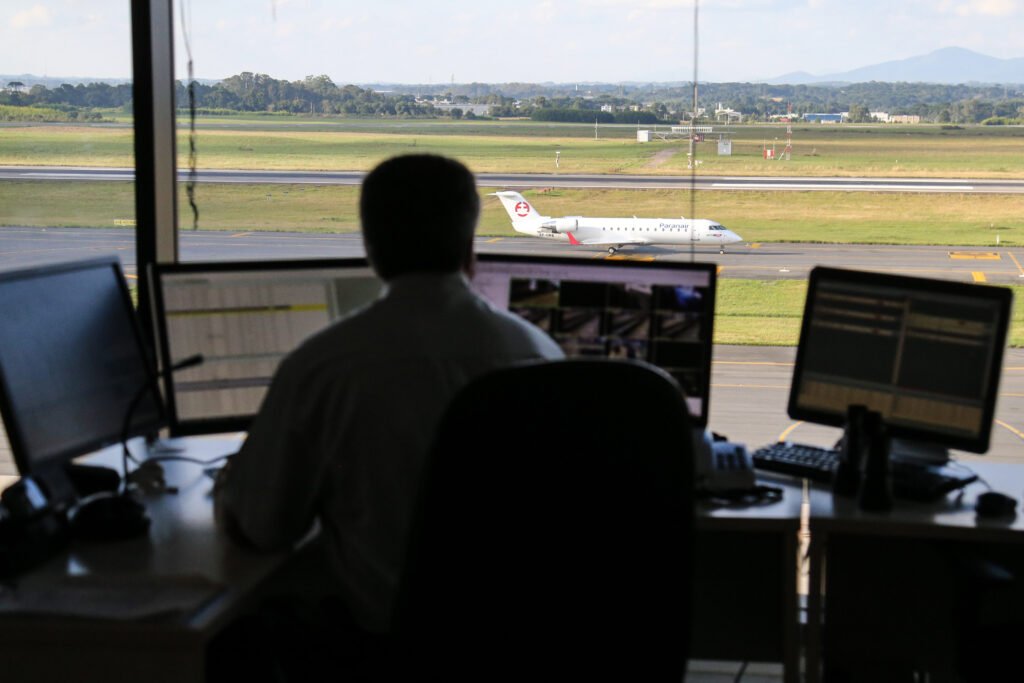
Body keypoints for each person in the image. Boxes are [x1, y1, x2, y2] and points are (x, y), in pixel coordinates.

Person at [215, 154, 564, 637]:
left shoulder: (323, 365)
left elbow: (263, 529)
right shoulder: (541, 353)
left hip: (384, 644)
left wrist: (230, 483)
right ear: (469, 248)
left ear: (371, 247)